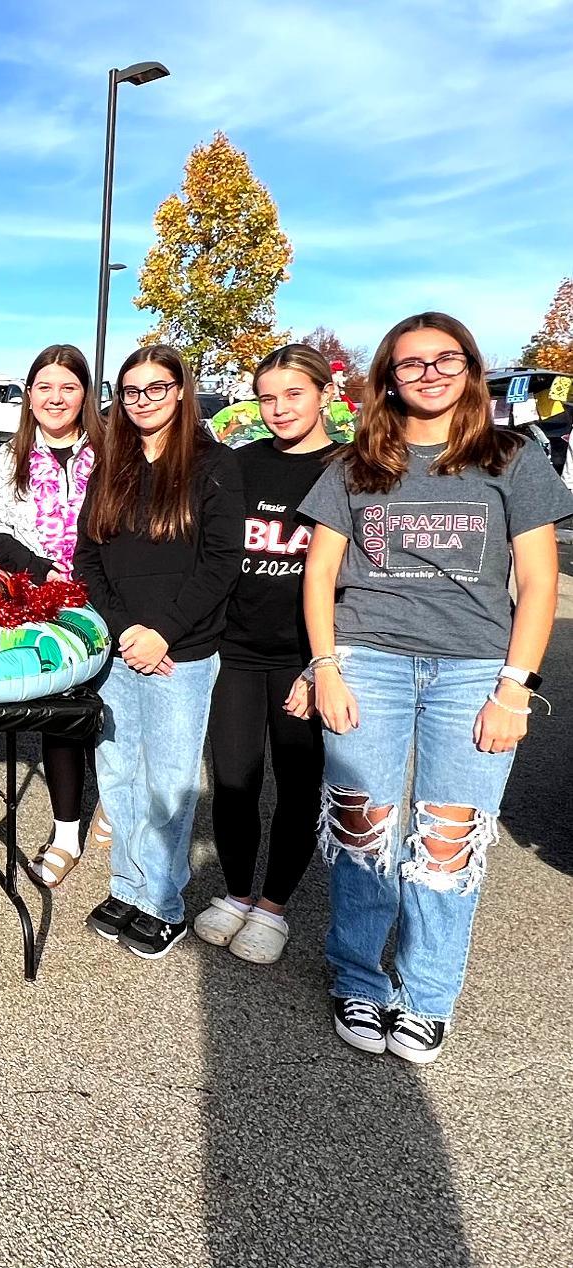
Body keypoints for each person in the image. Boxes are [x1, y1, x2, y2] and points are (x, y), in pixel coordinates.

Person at [293, 312, 571, 1063]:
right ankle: (358, 979)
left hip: (475, 669)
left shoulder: (512, 459)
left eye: (444, 360)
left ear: (471, 369)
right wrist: (325, 668)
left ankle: (425, 996)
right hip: (367, 662)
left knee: (448, 839)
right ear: (388, 378)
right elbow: (320, 574)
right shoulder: (356, 464)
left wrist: (516, 688)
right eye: (410, 364)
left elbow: (540, 580)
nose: (428, 374)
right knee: (363, 826)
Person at [74, 345, 243, 960]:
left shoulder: (214, 466)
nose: (142, 400)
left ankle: (162, 904)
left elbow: (222, 563)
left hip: (182, 652)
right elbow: (87, 558)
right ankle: (127, 885)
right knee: (118, 774)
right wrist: (125, 630)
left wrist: (163, 632)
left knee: (167, 782)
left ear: (179, 391)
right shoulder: (110, 466)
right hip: (120, 648)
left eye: (155, 387)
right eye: (131, 390)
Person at [193, 344, 343, 964]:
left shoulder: (350, 469)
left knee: (299, 783)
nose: (279, 409)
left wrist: (323, 663)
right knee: (232, 779)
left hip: (306, 655)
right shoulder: (237, 464)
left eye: (293, 394)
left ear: (325, 394)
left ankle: (274, 906)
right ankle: (233, 893)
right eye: (267, 397)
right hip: (236, 648)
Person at [0, 345, 101, 886]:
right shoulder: (10, 458)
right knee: (61, 715)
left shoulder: (112, 453)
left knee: (121, 713)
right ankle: (67, 832)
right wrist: (44, 570)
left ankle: (115, 804)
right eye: (44, 387)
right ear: (29, 396)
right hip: (42, 602)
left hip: (108, 594)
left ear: (85, 395)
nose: (56, 397)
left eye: (68, 387)